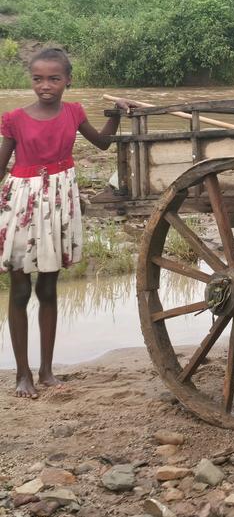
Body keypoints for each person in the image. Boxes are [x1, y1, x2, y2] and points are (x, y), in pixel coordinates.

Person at [0, 47, 134, 398]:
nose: (45, 86)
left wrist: (117, 114)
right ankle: (22, 375)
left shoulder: (73, 113)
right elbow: (1, 168)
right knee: (20, 291)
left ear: (68, 81)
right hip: (22, 203)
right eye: (38, 79)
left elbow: (102, 144)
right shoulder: (14, 118)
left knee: (47, 289)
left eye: (53, 79)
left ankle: (46, 371)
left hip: (60, 202)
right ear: (31, 80)